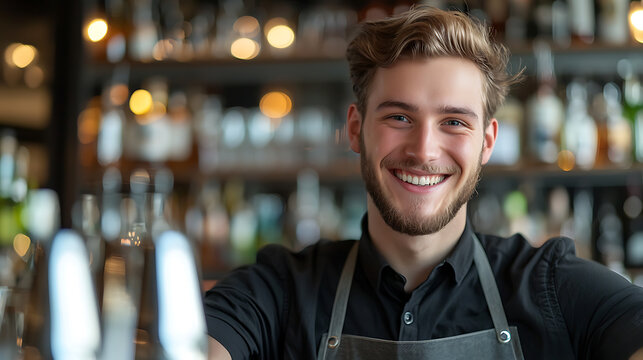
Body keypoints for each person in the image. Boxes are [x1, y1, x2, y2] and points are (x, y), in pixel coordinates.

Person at [204, 6, 643, 360]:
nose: (424, 150)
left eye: (454, 122)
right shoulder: (279, 292)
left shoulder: (552, 288)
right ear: (355, 129)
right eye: (399, 117)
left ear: (487, 142)